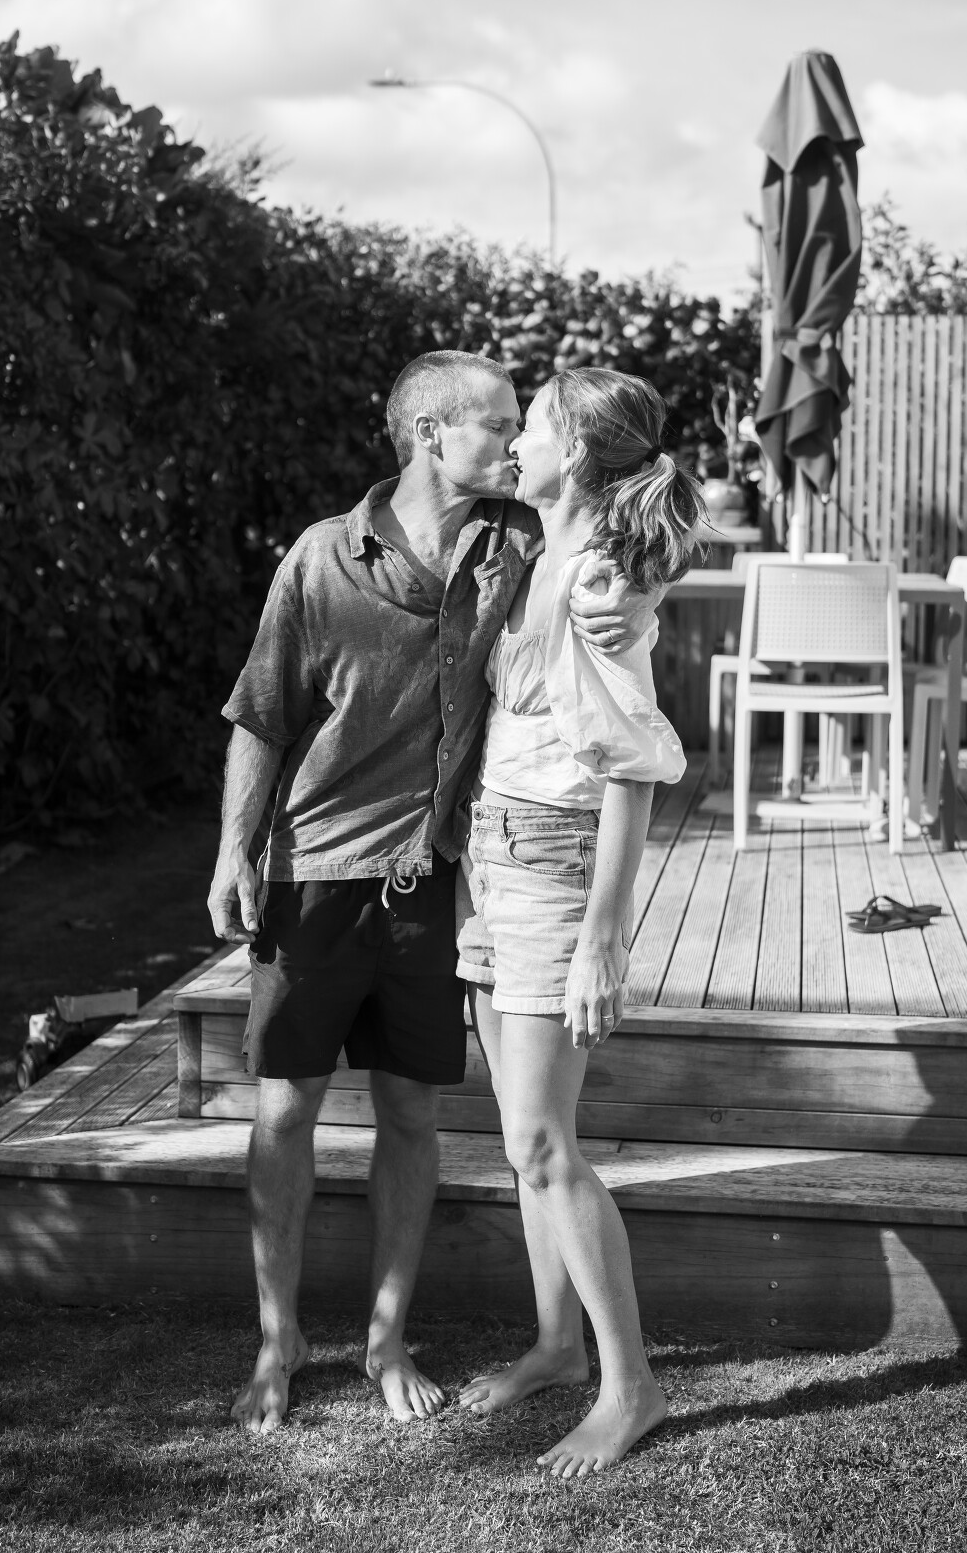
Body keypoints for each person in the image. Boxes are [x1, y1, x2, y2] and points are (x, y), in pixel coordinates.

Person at [206, 350, 660, 1435]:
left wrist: (643, 597)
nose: (511, 440)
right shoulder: (322, 556)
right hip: (316, 868)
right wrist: (233, 850)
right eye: (496, 422)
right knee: (285, 1107)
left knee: (415, 1112)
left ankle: (386, 1338)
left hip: (437, 875)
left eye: (519, 424)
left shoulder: (515, 540)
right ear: (428, 434)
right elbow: (261, 712)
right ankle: (277, 1340)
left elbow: (627, 521)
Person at [454, 368, 701, 1477]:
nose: (515, 443)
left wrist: (604, 935)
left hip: (553, 862)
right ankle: (557, 1345)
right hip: (493, 849)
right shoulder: (543, 550)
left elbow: (632, 767)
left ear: (581, 455)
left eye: (534, 428)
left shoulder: (597, 577)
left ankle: (628, 1385)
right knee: (523, 1140)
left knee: (542, 1143)